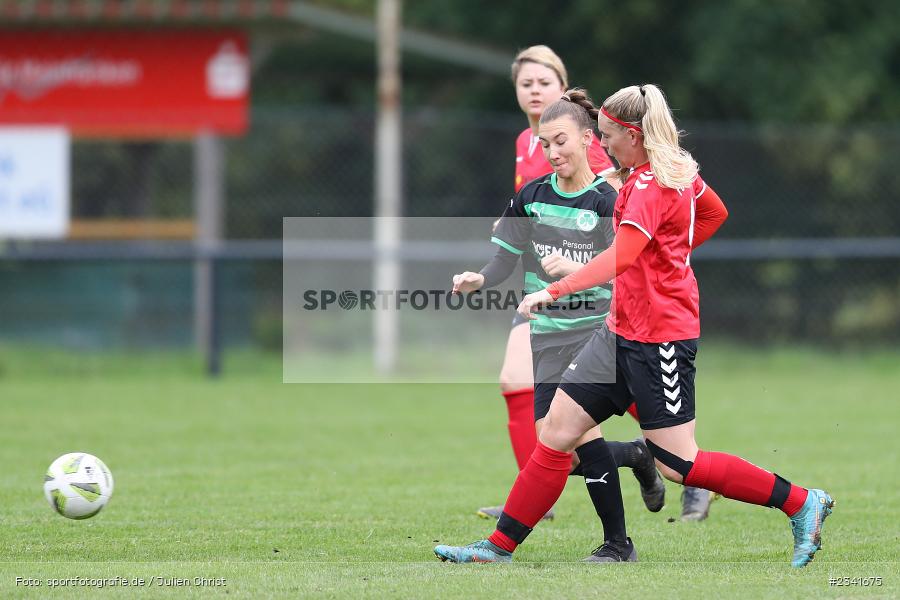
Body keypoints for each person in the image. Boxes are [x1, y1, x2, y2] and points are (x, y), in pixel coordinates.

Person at [435, 84, 834, 567]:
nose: (602, 144)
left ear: (634, 135)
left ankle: (801, 502)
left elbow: (622, 256)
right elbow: (713, 212)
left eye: (607, 135)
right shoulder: (670, 171)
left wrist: (557, 289)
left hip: (659, 338)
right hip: (618, 330)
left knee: (679, 464)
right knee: (557, 430)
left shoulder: (650, 185)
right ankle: (497, 548)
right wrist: (669, 251)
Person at [453, 88, 659, 558]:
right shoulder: (532, 196)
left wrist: (576, 273)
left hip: (594, 334)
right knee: (555, 446)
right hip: (546, 335)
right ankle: (635, 457)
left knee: (577, 435)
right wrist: (478, 278)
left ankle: (616, 543)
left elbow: (626, 270)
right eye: (545, 144)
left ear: (588, 139)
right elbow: (503, 260)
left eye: (561, 141)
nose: (552, 152)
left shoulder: (608, 201)